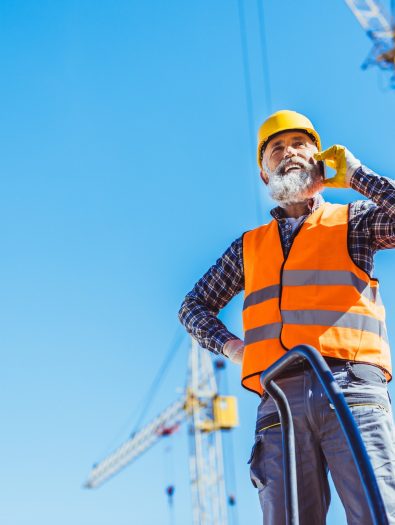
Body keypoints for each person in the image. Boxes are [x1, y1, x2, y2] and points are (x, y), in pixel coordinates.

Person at [178, 110, 395, 524]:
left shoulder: (355, 221)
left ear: (319, 157)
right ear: (265, 175)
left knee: (379, 513)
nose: (288, 153)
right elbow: (192, 307)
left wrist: (357, 176)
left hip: (350, 389)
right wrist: (233, 347)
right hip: (277, 400)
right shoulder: (248, 247)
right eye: (276, 149)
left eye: (299, 144)